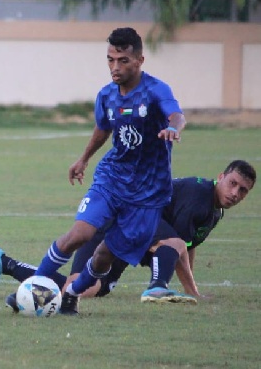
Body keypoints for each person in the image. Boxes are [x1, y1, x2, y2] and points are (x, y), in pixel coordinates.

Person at [18, 27, 186, 315]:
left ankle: (71, 293)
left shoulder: (157, 90)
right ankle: (31, 288)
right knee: (79, 234)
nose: (115, 67)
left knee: (104, 255)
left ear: (139, 61)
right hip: (112, 178)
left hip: (147, 194)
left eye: (122, 60)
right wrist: (83, 159)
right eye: (110, 60)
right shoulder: (106, 96)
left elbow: (177, 115)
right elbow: (103, 129)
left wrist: (172, 128)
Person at [0, 160, 256, 309]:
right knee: (85, 287)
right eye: (232, 183)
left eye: (243, 190)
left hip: (138, 230)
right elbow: (176, 245)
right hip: (125, 222)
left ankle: (5, 264)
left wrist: (190, 291)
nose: (235, 193)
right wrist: (192, 292)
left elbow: (187, 246)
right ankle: (156, 288)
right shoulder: (199, 196)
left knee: (96, 288)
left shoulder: (214, 210)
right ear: (220, 176)